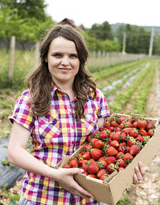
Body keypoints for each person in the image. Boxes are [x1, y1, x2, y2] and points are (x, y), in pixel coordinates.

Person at [8, 24, 148, 205]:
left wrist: (128, 173)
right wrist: (55, 173)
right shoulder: (31, 98)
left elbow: (105, 150)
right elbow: (14, 151)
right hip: (43, 197)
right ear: (45, 58)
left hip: (89, 198)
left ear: (81, 59)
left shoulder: (95, 97)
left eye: (72, 56)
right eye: (57, 55)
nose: (65, 62)